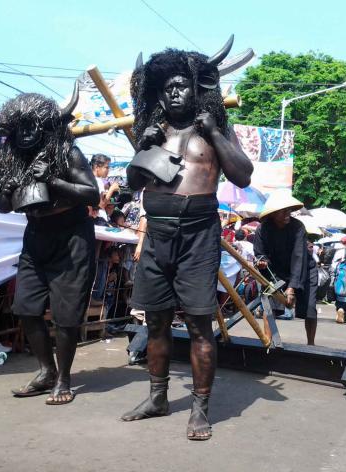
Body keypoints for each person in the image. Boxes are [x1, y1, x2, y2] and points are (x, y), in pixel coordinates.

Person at [122, 40, 253, 440]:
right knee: (156, 320)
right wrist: (142, 150)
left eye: (181, 85)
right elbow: (132, 184)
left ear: (197, 89)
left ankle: (200, 408)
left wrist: (213, 132)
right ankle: (158, 398)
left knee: (199, 324)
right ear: (158, 93)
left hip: (199, 233)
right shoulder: (151, 131)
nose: (174, 93)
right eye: (167, 88)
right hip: (157, 231)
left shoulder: (214, 129)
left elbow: (243, 175)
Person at [0, 83, 99, 404]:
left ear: (46, 126)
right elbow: (3, 206)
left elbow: (92, 194)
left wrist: (54, 180)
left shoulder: (67, 152)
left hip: (73, 236)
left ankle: (64, 378)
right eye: (20, 127)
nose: (27, 133)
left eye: (33, 125)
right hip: (35, 235)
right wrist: (4, 186)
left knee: (66, 315)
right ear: (11, 131)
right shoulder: (9, 159)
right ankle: (46, 370)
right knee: (26, 308)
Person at [254, 190, 318, 341]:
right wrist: (262, 262)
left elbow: (299, 257)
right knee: (270, 306)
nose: (287, 214)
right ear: (273, 214)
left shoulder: (298, 227)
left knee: (309, 309)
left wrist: (292, 288)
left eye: (289, 211)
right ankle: (268, 343)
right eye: (283, 212)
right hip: (276, 271)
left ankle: (311, 344)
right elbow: (259, 253)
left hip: (304, 269)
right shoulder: (262, 229)